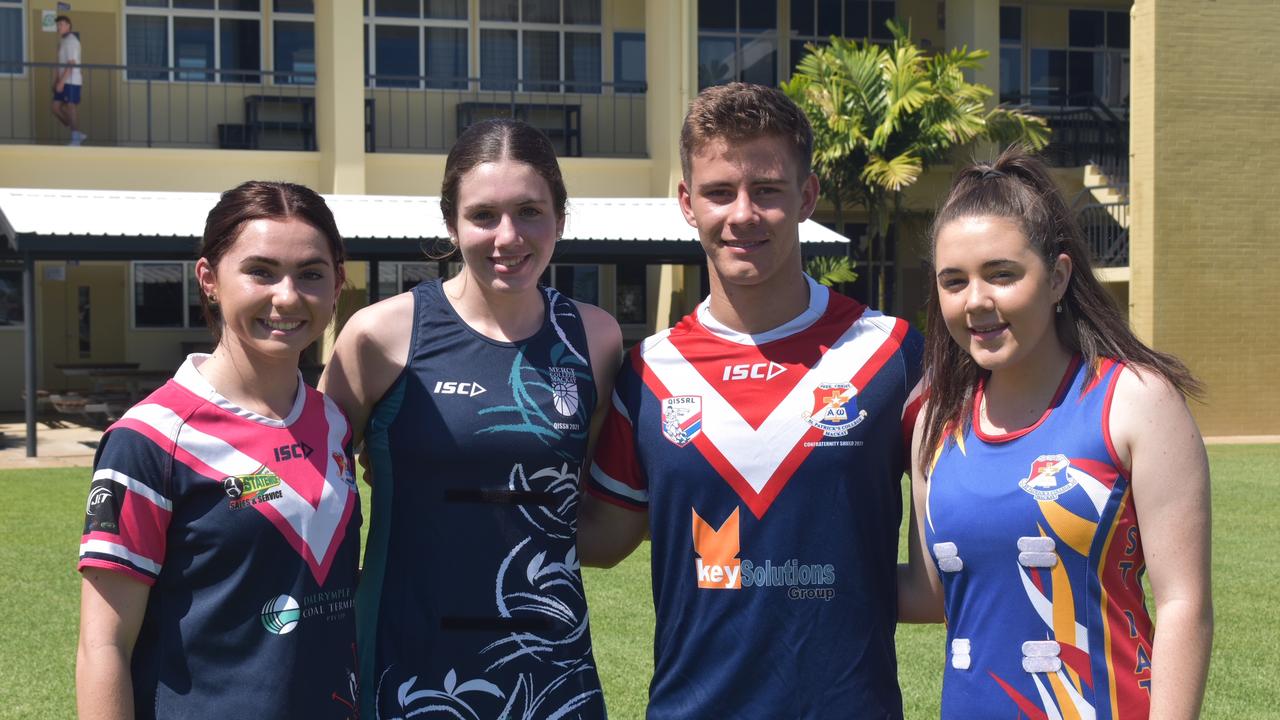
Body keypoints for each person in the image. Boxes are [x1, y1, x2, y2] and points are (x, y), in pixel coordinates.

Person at [578, 82, 924, 718]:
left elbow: (955, 555)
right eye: (718, 192)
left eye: (766, 189)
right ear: (686, 203)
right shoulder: (648, 372)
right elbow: (602, 541)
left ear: (807, 197)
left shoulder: (893, 355)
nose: (742, 214)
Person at [321, 118, 622, 719]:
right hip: (409, 665)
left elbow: (588, 503)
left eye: (530, 211)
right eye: (484, 215)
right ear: (451, 224)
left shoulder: (595, 338)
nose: (508, 236)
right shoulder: (381, 336)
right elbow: (314, 493)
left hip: (550, 670)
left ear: (560, 220)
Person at [898, 148, 1213, 718]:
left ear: (1058, 277)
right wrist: (796, 570)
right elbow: (929, 595)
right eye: (954, 281)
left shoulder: (1135, 400)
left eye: (1002, 274)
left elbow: (1183, 604)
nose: (977, 302)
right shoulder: (933, 425)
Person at [75, 181, 362, 720]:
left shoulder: (333, 422)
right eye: (260, 271)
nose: (287, 295)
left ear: (337, 283)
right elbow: (102, 646)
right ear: (209, 279)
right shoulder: (149, 439)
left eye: (311, 273)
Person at [52, 15, 86, 146]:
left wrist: (61, 82)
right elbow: (59, 63)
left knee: (71, 107)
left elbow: (71, 63)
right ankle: (75, 130)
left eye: (61, 24)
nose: (58, 27)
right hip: (63, 80)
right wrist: (56, 80)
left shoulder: (72, 41)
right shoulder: (62, 41)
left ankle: (76, 137)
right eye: (58, 25)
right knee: (55, 108)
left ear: (68, 26)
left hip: (72, 80)